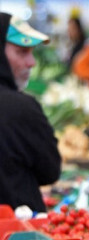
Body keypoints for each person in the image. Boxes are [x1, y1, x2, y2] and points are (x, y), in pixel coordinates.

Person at [0, 13, 61, 214]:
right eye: (22, 52)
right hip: (18, 237)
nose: (32, 62)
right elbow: (50, 171)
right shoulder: (21, 108)